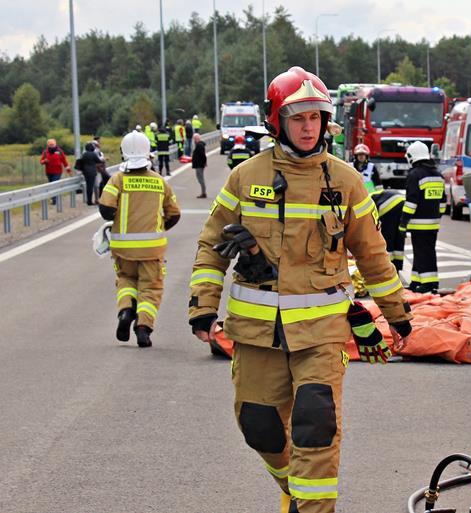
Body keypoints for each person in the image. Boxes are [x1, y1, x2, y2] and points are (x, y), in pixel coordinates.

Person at [187, 66, 412, 513]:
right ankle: (294, 489)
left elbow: (372, 255)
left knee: (316, 424)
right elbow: (211, 245)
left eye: (316, 117)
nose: (309, 127)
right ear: (278, 121)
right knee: (259, 427)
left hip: (322, 332)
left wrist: (397, 312)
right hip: (255, 331)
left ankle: (312, 508)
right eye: (298, 118)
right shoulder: (244, 178)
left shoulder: (345, 180)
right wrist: (202, 308)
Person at [97, 131, 181, 347]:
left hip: (123, 248)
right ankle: (143, 328)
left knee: (125, 281)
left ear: (124, 153)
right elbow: (174, 214)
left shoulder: (117, 180)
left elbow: (106, 209)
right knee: (150, 289)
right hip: (152, 250)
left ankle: (126, 311)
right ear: (148, 154)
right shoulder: (159, 181)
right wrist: (159, 227)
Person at [400, 141, 447, 293]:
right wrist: (436, 216)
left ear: (412, 157)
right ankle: (416, 281)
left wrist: (403, 223)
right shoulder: (438, 175)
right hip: (433, 223)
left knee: (422, 253)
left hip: (418, 223)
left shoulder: (415, 175)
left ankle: (429, 284)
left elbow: (411, 202)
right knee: (425, 252)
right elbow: (443, 202)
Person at [191, 133, 208, 198]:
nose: (194, 140)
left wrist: (204, 162)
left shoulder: (199, 145)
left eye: (194, 139)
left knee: (201, 179)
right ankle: (203, 192)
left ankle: (203, 193)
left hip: (199, 165)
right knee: (200, 179)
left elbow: (203, 155)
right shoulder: (200, 145)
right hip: (199, 164)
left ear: (197, 139)